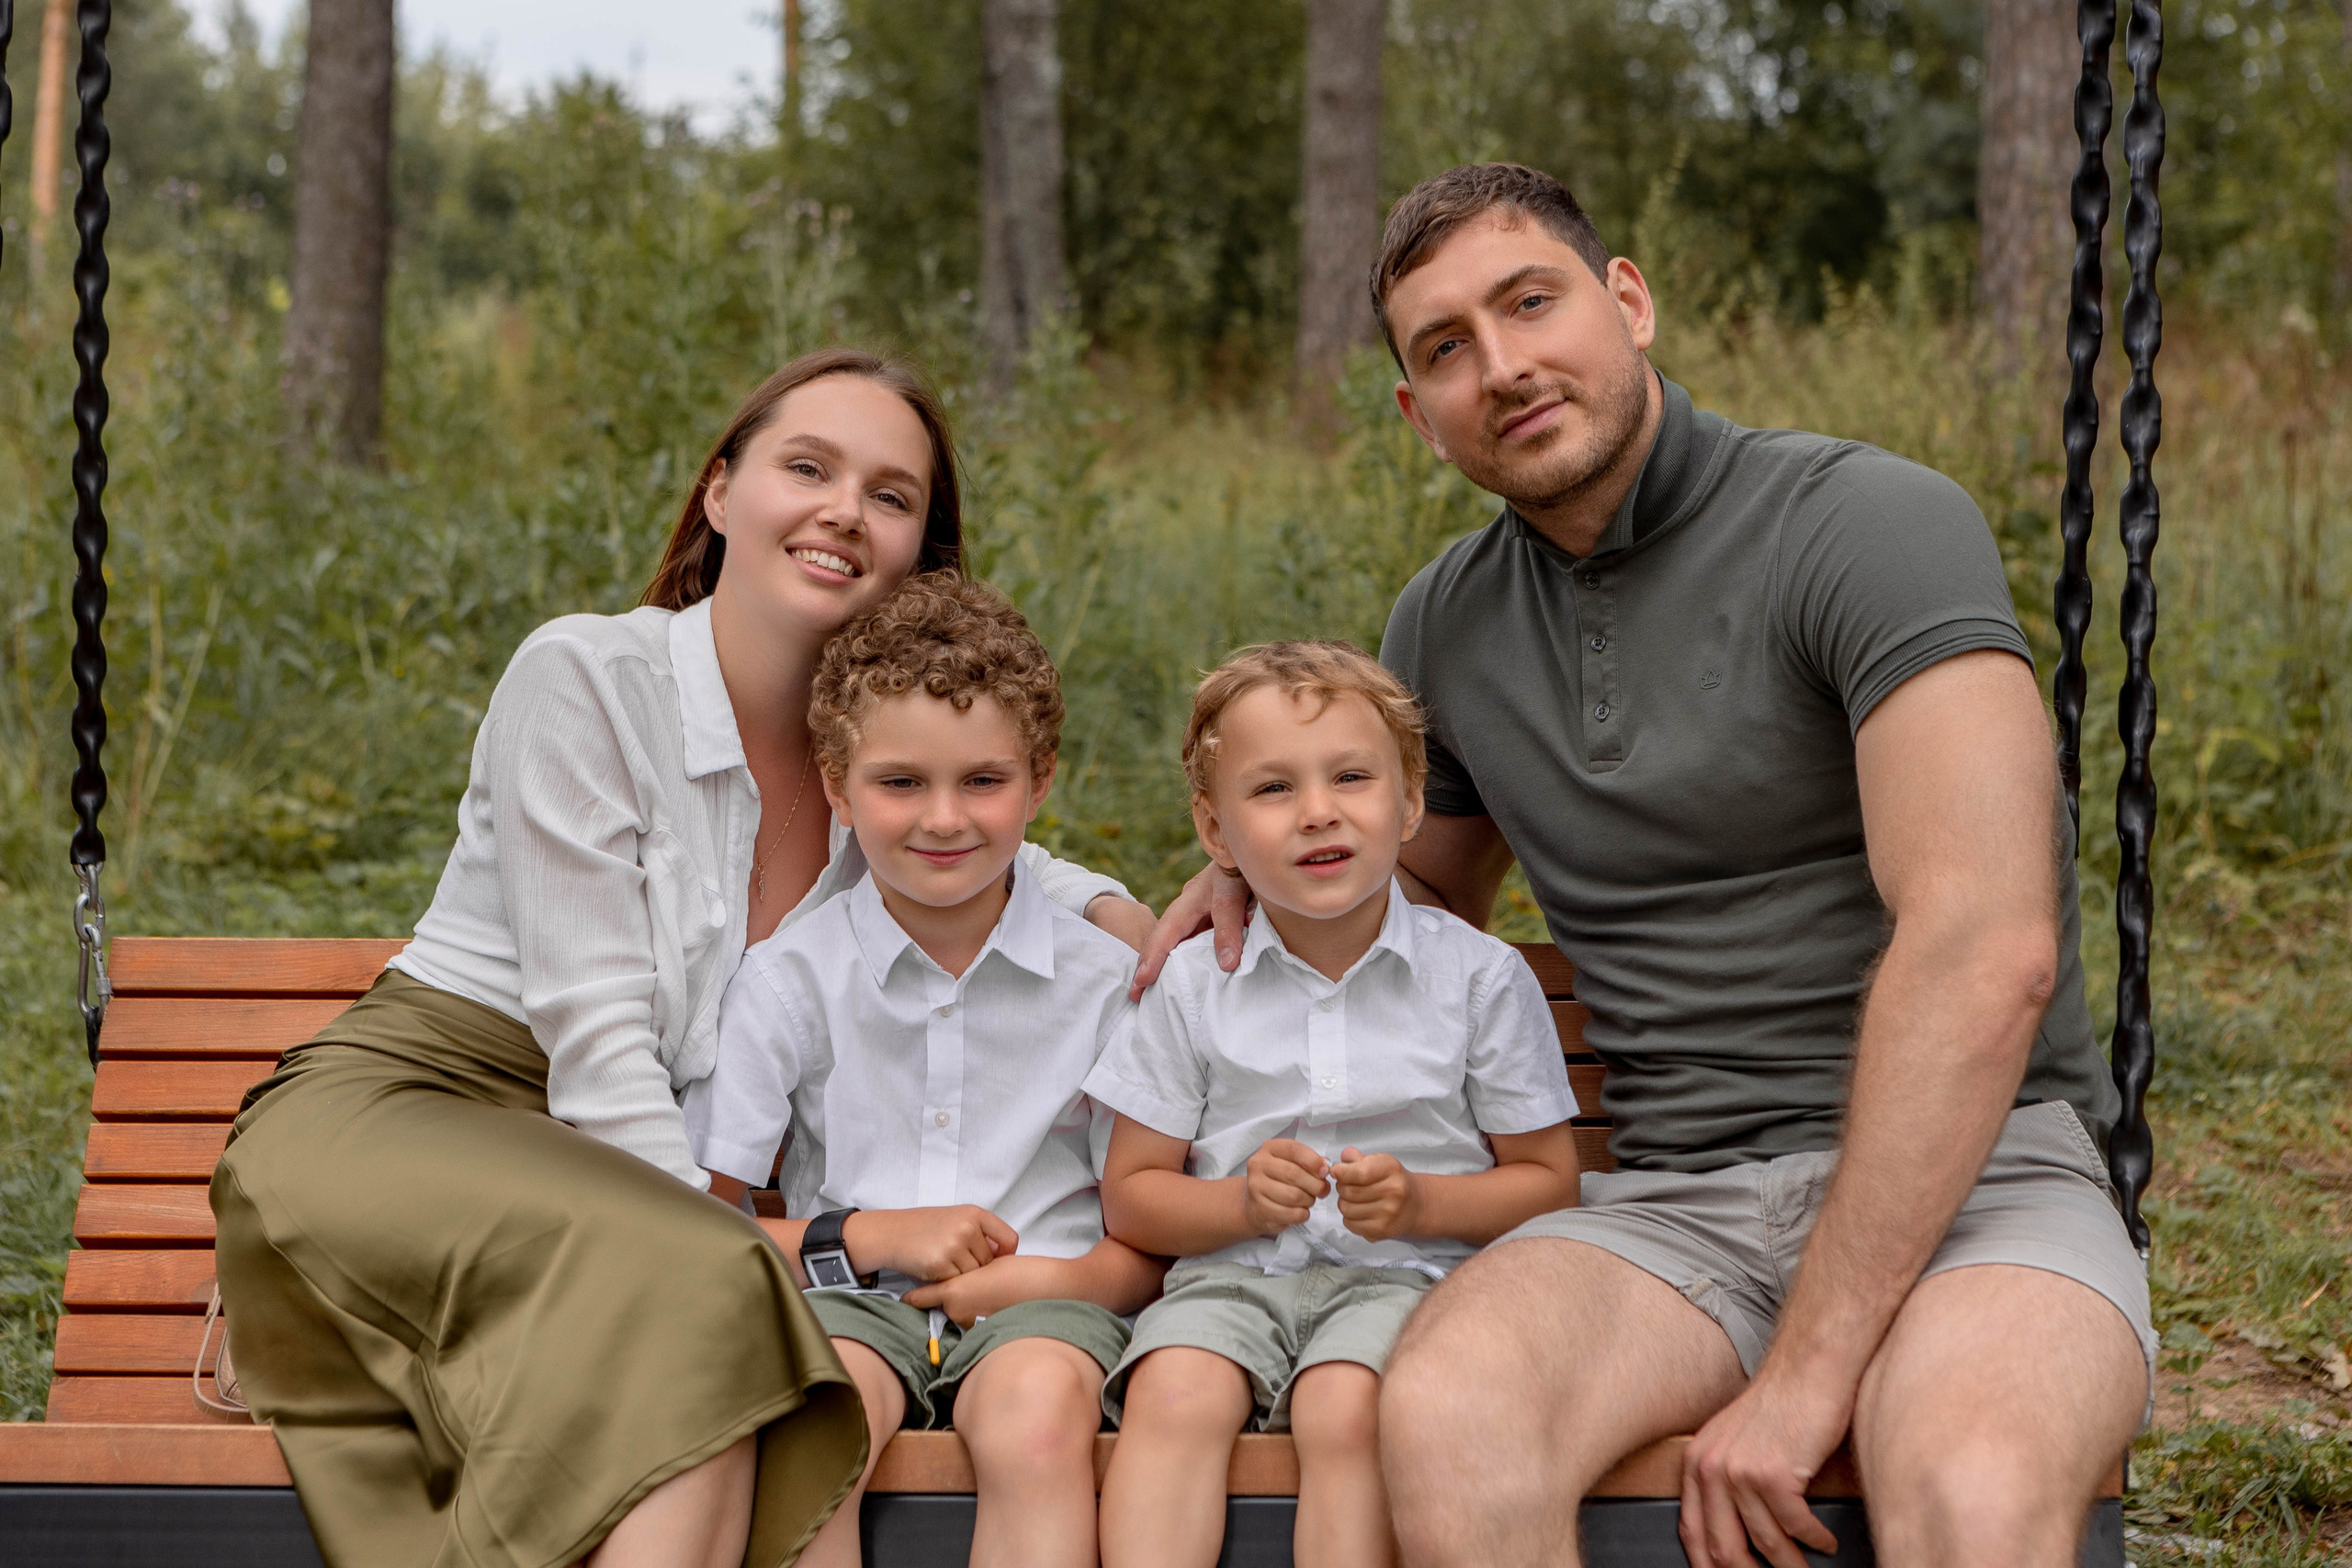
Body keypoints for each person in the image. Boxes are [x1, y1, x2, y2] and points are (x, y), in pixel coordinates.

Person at [1138, 164, 2154, 1568]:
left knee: (1971, 1485)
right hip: (1671, 1203)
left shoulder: (1865, 522)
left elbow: (1988, 945)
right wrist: (1261, 882)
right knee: (1451, 1413)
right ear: (1418, 414)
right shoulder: (1445, 623)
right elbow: (1409, 902)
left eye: (1530, 302)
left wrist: (1803, 1378)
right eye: (1447, 347)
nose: (1502, 366)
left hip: (1982, 1183)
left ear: (1629, 300)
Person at [209, 348, 1157, 1568]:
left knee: (719, 1374)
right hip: (431, 1109)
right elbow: (600, 1050)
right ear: (719, 492)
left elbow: (1000, 852)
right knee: (709, 1323)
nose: (843, 511)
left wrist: (1134, 914)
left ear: (920, 556)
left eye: (889, 494)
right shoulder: (588, 678)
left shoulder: (877, 761)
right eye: (806, 468)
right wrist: (827, 1245)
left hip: (611, 1193)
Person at [687, 572, 1164, 1568]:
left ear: (1040, 780)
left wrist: (1065, 1278)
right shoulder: (788, 980)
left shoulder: (1106, 984)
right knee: (817, 1419)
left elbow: (1151, 1231)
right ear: (836, 787)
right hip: (848, 1300)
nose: (943, 818)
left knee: (1036, 1415)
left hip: (1052, 1304)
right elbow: (705, 1232)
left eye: (983, 782)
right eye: (900, 783)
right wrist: (863, 1236)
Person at [1091, 641, 1581, 1568]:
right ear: (1215, 832)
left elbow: (1549, 1182)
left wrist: (1423, 1200)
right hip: (1229, 1280)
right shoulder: (1194, 986)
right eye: (1273, 788)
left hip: (1410, 1277)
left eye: (1351, 777)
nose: (1317, 810)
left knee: (1347, 1407)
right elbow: (1133, 1196)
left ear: (1409, 803)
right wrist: (1237, 1203)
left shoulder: (1477, 978)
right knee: (1173, 1395)